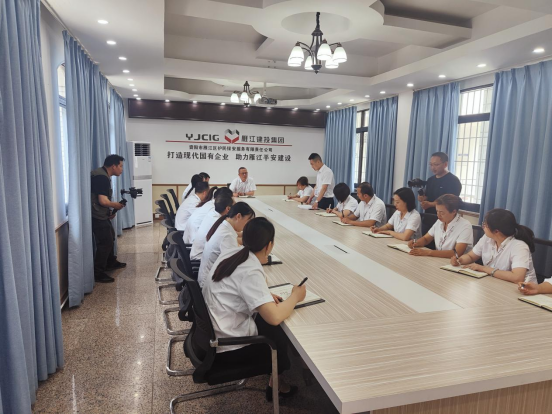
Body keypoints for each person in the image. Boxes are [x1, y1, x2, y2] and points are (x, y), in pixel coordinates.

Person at [202, 217, 305, 401]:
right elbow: (274, 317)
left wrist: (262, 295)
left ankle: (277, 383)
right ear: (269, 245)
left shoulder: (233, 253)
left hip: (213, 333)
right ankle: (276, 384)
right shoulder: (250, 269)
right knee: (277, 330)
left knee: (271, 326)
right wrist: (295, 296)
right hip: (229, 348)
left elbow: (235, 287)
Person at [452, 208, 537, 284]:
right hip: (495, 284)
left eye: (485, 225)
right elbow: (471, 256)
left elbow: (517, 277)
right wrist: (460, 260)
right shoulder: (487, 238)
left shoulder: (519, 246)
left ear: (496, 231)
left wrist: (483, 268)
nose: (483, 227)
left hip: (522, 290)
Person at [197, 202, 255, 286]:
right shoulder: (227, 236)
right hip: (210, 284)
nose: (247, 225)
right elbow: (234, 267)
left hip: (208, 278)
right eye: (248, 221)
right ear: (238, 216)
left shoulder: (224, 225)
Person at [90, 154, 127, 283]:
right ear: (113, 166)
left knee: (110, 236)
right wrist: (115, 205)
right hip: (96, 216)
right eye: (120, 166)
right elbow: (103, 201)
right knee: (105, 242)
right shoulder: (101, 178)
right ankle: (98, 273)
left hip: (100, 213)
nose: (122, 169)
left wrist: (109, 211)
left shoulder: (102, 175)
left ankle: (111, 262)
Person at [408, 194, 473, 257]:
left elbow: (457, 253)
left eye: (442, 212)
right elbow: (426, 239)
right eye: (437, 211)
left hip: (456, 262)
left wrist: (428, 252)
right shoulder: (439, 221)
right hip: (439, 259)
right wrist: (416, 242)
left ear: (454, 212)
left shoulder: (465, 225)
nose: (438, 215)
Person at [190, 193, 234, 260]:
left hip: (200, 253)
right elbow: (231, 237)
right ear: (228, 208)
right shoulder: (217, 221)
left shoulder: (212, 214)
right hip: (200, 257)